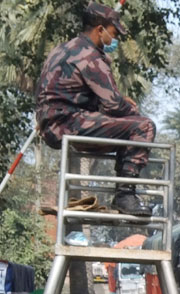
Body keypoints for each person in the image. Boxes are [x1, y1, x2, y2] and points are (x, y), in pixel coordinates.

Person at [35, 2, 154, 216]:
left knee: (128, 125)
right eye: (113, 33)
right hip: (70, 124)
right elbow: (114, 105)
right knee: (143, 127)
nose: (115, 39)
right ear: (100, 30)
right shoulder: (90, 56)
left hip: (52, 124)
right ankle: (125, 195)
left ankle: (124, 190)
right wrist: (131, 109)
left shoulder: (63, 49)